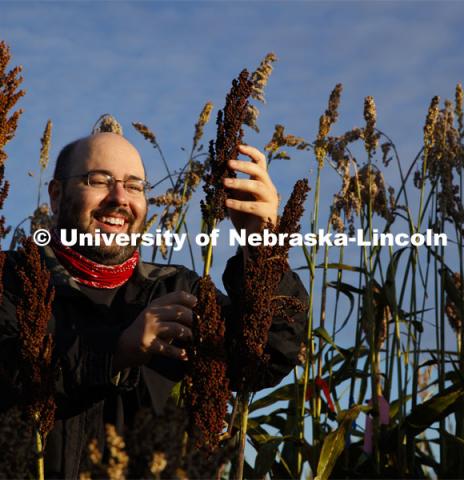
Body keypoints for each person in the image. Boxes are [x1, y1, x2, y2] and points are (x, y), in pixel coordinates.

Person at [0, 132, 308, 478]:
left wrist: (263, 248)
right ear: (56, 195)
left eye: (134, 186)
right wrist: (114, 353)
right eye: (98, 180)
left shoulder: (176, 290)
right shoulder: (9, 281)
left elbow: (265, 357)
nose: (119, 198)